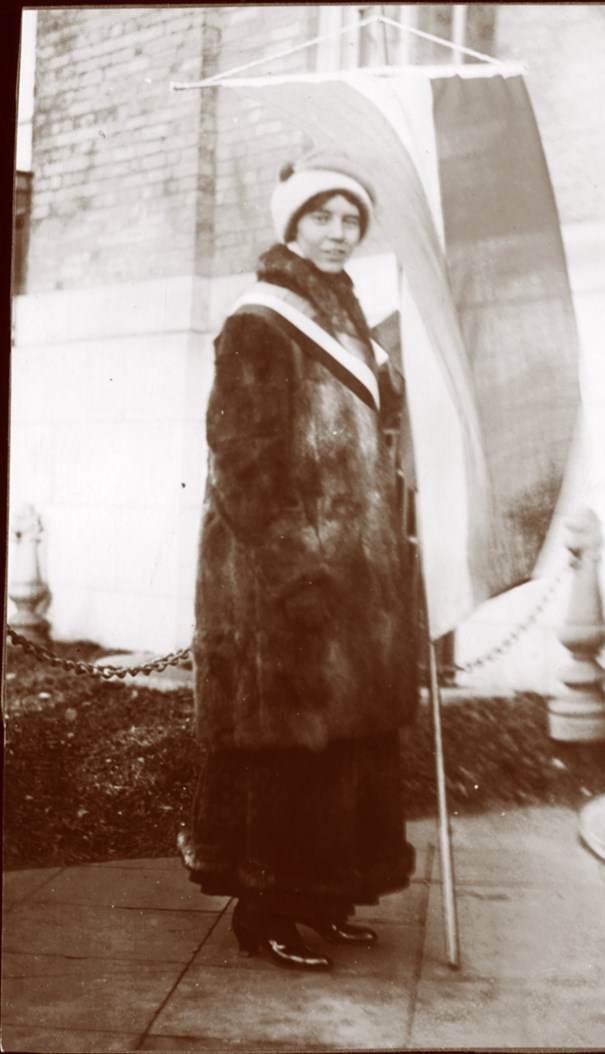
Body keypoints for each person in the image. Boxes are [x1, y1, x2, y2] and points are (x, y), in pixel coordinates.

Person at [178, 150, 419, 971]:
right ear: (293, 223)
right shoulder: (261, 320)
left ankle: (325, 895)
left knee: (345, 743)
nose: (339, 232)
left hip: (354, 582)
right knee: (287, 748)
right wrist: (293, 576)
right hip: (281, 586)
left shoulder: (349, 317)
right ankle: (267, 910)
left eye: (351, 219)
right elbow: (241, 463)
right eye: (322, 216)